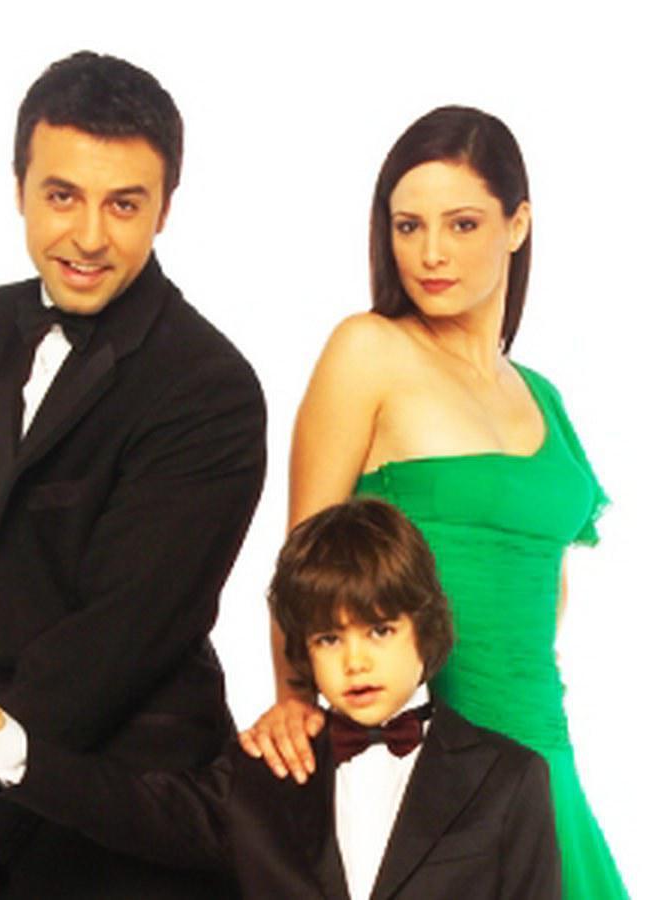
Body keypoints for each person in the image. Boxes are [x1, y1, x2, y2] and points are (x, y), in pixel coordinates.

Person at [0, 51, 265, 900]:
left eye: (123, 204)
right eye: (62, 196)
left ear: (164, 209)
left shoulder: (211, 389)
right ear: (18, 188)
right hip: (13, 816)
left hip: (138, 825)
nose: (88, 237)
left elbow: (114, 644)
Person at [238, 106, 627, 898]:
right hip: (428, 771)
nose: (430, 253)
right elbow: (302, 569)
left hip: (540, 754)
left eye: (461, 223)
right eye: (407, 226)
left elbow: (544, 590)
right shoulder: (367, 350)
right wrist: (296, 708)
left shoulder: (544, 398)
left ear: (517, 225)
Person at [0, 499, 561, 899]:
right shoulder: (264, 778)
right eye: (329, 638)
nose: (355, 661)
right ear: (304, 653)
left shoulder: (509, 781)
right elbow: (132, 807)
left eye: (379, 630)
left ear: (424, 629)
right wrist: (4, 743)